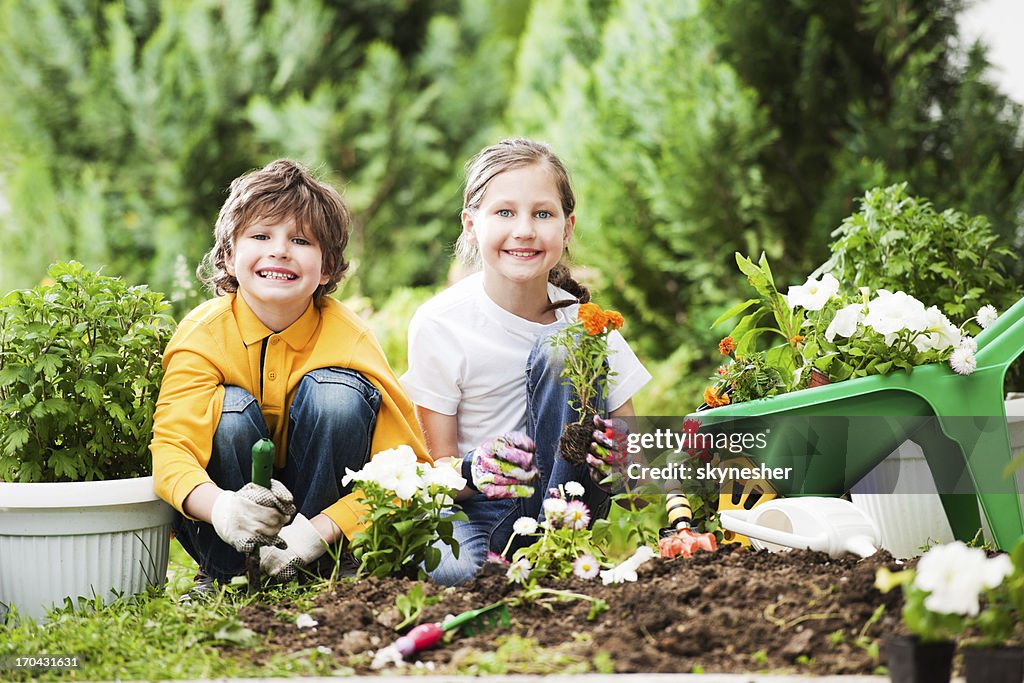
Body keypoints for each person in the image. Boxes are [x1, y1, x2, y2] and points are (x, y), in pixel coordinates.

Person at [151, 159, 429, 591]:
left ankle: (317, 566)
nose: (279, 250)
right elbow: (172, 453)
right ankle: (227, 574)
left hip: (319, 530)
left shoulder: (350, 339)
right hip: (228, 522)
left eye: (300, 240)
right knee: (229, 411)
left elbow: (404, 470)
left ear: (327, 269)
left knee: (336, 395)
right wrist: (223, 508)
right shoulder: (202, 336)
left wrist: (317, 531)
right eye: (260, 236)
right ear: (228, 254)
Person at [401, 138, 651, 585]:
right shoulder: (441, 323)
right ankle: (518, 566)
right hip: (478, 507)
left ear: (567, 227)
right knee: (455, 571)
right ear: (471, 224)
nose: (524, 230)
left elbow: (632, 466)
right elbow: (433, 472)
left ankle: (554, 548)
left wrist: (618, 457)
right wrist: (475, 470)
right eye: (504, 212)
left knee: (566, 346)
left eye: (542, 213)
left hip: (566, 505)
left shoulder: (587, 325)